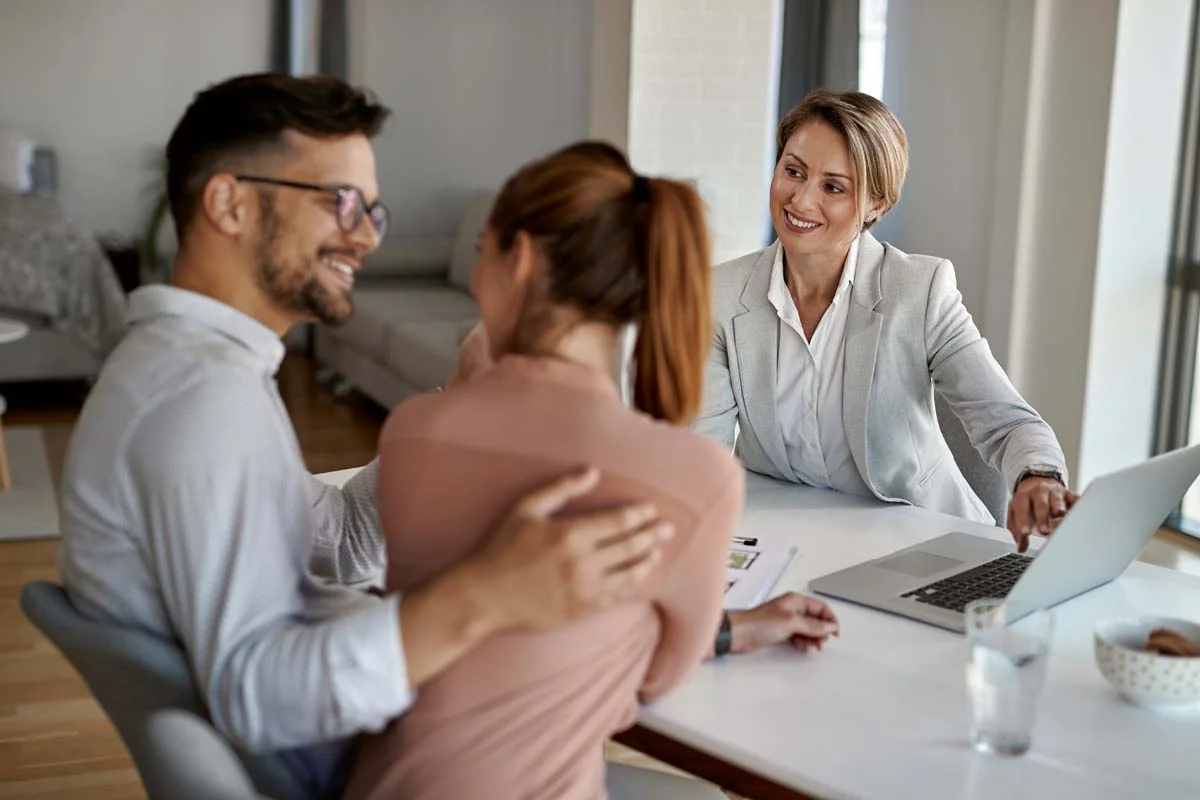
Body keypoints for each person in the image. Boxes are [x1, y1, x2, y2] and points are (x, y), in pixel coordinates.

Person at [55, 73, 835, 799]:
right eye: (340, 203)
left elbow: (318, 539)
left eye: (371, 211)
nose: (365, 239)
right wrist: (487, 592)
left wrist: (448, 416)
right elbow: (261, 699)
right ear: (228, 204)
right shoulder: (199, 404)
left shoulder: (194, 376)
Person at [344, 141, 836, 800]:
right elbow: (651, 681)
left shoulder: (411, 432)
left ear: (516, 261)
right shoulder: (696, 477)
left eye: (484, 248)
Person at [694, 89, 1076, 553]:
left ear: (876, 205)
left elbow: (1008, 424)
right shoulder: (720, 296)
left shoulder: (921, 291)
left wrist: (1038, 478)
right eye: (793, 171)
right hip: (782, 543)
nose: (800, 199)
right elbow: (702, 462)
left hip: (922, 544)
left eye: (833, 187)